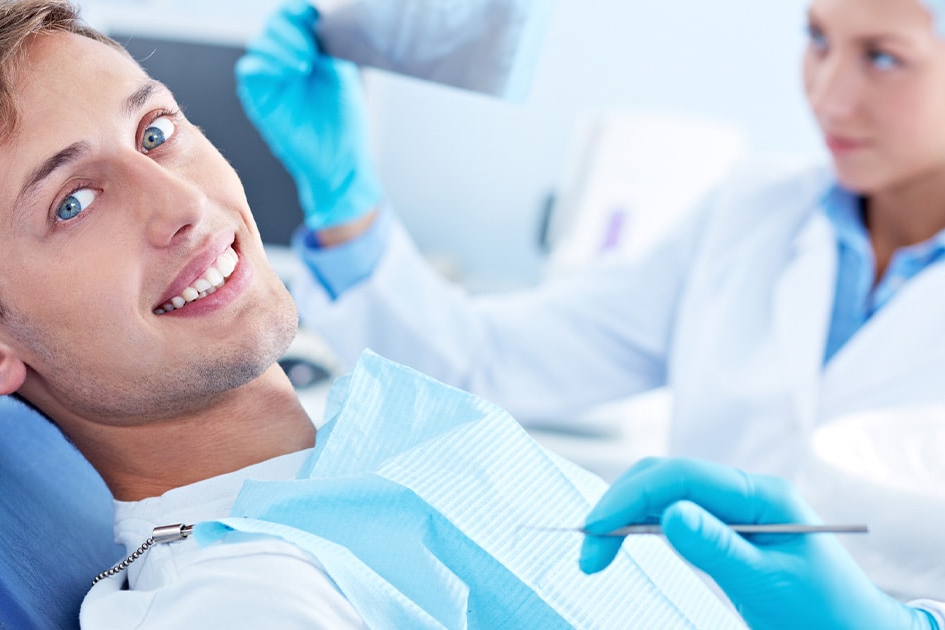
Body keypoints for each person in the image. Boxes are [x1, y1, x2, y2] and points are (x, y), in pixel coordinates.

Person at [0, 1, 766, 627]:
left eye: (157, 132)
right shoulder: (247, 598)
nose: (182, 202)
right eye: (73, 201)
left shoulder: (360, 443)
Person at [237, 0, 945, 605]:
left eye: (883, 58)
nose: (830, 96)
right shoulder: (750, 213)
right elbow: (484, 364)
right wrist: (347, 205)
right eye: (818, 39)